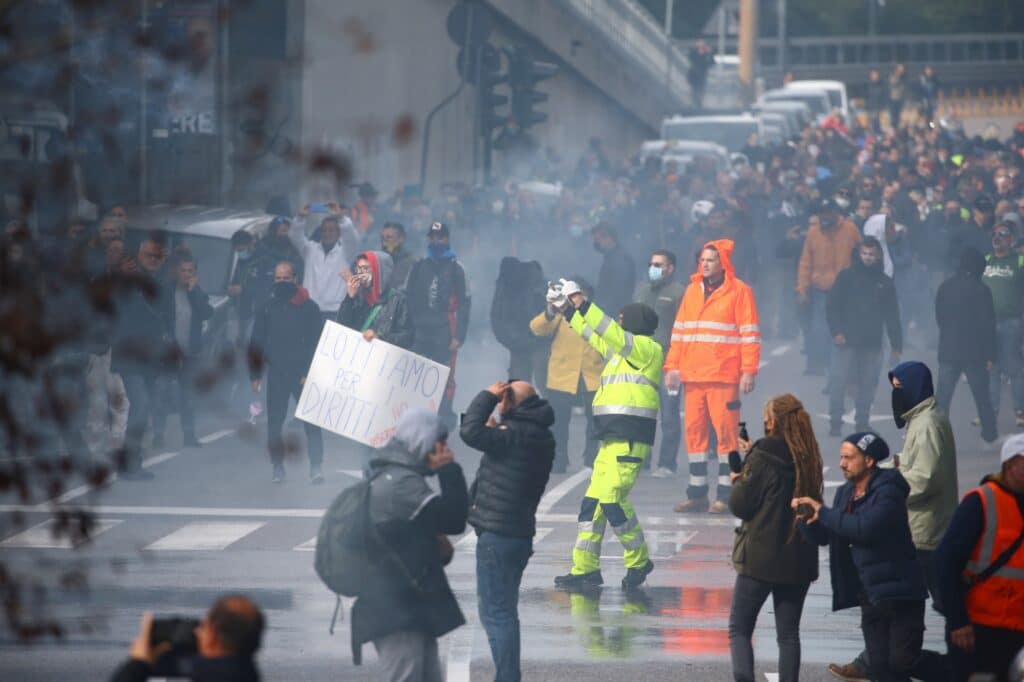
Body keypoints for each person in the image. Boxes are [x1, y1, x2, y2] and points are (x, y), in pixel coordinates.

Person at [830, 361, 959, 680]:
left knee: (921, 599)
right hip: (918, 528)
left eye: (899, 388)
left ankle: (963, 663)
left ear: (915, 387)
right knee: (887, 595)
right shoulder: (920, 420)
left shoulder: (927, 423)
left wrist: (882, 487)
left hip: (925, 530)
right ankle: (872, 660)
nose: (895, 395)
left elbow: (925, 478)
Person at [794, 432, 931, 682]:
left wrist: (824, 513)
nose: (841, 463)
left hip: (900, 592)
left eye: (848, 457)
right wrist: (806, 520)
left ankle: (958, 668)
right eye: (841, 457)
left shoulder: (889, 490)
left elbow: (865, 528)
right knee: (879, 668)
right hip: (870, 593)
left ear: (869, 461)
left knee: (902, 661)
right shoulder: (846, 493)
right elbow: (830, 534)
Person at [551, 282, 661, 590]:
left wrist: (580, 301)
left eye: (622, 320)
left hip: (629, 439)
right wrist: (566, 310)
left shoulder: (647, 350)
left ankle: (639, 560)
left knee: (612, 501)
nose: (618, 323)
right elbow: (592, 334)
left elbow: (608, 330)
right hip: (612, 439)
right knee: (593, 505)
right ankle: (585, 568)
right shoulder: (619, 354)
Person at [351, 409, 468, 682]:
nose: (445, 449)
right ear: (423, 441)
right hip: (396, 609)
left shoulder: (397, 476)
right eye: (441, 443)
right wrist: (449, 469)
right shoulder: (400, 483)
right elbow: (453, 519)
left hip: (410, 605)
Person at [459, 380, 556, 682]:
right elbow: (496, 453)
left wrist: (486, 394)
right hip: (517, 535)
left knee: (496, 614)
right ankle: (508, 675)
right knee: (504, 611)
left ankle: (508, 677)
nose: (499, 402)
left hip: (497, 537)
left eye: (504, 397)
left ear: (513, 403)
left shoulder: (511, 435)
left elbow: (469, 431)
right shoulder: (538, 436)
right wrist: (497, 427)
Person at [729, 394, 823, 682]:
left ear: (772, 420)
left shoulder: (762, 455)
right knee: (788, 635)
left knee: (740, 629)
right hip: (798, 558)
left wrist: (741, 474)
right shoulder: (808, 455)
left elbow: (741, 505)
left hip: (760, 558)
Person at [667, 240, 761, 514]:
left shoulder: (740, 292)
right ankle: (697, 494)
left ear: (724, 264)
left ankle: (727, 494)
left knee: (726, 437)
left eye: (710, 260)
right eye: (702, 260)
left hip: (723, 376)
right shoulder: (692, 291)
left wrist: (748, 371)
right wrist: (672, 367)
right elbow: (680, 333)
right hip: (693, 375)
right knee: (695, 437)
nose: (704, 264)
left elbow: (750, 334)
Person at [937, 433, 1024, 682]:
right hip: (979, 627)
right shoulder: (982, 501)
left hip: (1018, 627)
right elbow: (946, 562)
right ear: (1009, 465)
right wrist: (957, 621)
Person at [337, 250, 415, 476]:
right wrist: (349, 298)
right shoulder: (357, 298)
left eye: (367, 269)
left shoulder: (397, 299)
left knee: (389, 429)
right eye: (359, 269)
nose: (362, 274)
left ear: (380, 271)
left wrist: (382, 337)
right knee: (366, 431)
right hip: (365, 374)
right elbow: (342, 331)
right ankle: (370, 476)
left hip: (389, 375)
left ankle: (391, 472)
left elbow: (409, 336)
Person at [248, 261, 324, 484]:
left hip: (303, 374)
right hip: (277, 373)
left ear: (296, 279)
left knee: (312, 422)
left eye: (286, 278)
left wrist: (308, 371)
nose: (282, 282)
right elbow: (257, 341)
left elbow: (316, 343)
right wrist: (255, 374)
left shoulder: (310, 307)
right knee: (275, 422)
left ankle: (316, 467)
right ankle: (277, 467)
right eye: (278, 278)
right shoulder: (267, 307)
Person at [825, 236, 902, 435]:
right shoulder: (846, 276)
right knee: (838, 381)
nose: (868, 258)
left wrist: (896, 344)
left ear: (878, 256)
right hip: (846, 340)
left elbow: (892, 315)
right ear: (859, 254)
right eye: (864, 253)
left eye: (872, 254)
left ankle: (862, 422)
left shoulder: (884, 283)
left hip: (872, 341)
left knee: (868, 384)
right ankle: (835, 421)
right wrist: (837, 332)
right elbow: (832, 306)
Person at [111, 234, 172, 480]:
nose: (153, 260)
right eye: (149, 255)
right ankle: (129, 462)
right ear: (139, 255)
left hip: (152, 356)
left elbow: (167, 321)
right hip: (130, 354)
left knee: (146, 408)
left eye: (158, 256)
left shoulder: (163, 284)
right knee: (141, 404)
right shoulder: (128, 281)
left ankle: (133, 460)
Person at [530, 278, 603, 473]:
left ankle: (592, 456)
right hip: (562, 375)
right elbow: (537, 328)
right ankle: (558, 459)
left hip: (592, 374)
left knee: (595, 419)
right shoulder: (560, 315)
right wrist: (549, 312)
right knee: (559, 421)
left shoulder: (596, 315)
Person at [109, 594, 264, 681]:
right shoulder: (248, 672)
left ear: (213, 635)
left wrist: (137, 665)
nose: (198, 633)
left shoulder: (205, 671)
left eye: (203, 627)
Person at [406, 221, 470, 426]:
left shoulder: (457, 268)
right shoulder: (418, 266)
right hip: (420, 330)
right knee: (417, 376)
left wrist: (459, 336)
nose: (436, 241)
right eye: (432, 237)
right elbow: (408, 298)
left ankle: (442, 418)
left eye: (440, 237)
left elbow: (465, 305)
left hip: (444, 330)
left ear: (447, 239)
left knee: (444, 377)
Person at [935, 247, 998, 442]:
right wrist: (990, 354)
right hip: (975, 352)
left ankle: (937, 436)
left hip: (948, 349)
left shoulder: (945, 286)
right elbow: (988, 324)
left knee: (942, 398)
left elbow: (939, 316)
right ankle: (989, 434)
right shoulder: (982, 290)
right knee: (982, 397)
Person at [635, 249, 686, 478]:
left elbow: (683, 329)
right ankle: (642, 459)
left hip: (669, 364)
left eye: (659, 264)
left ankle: (667, 463)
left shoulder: (679, 294)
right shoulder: (642, 291)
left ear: (670, 268)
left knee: (669, 415)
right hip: (643, 363)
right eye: (652, 263)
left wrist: (677, 364)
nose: (654, 268)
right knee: (642, 413)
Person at [796, 199, 862, 376]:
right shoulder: (813, 233)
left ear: (836, 213)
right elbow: (805, 263)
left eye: (828, 212)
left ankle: (837, 372)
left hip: (846, 290)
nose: (824, 216)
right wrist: (802, 289)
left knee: (840, 331)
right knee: (820, 329)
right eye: (821, 213)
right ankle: (823, 365)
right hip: (821, 290)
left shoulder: (850, 229)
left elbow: (861, 256)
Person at [162, 256, 213, 448]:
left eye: (190, 271)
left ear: (195, 274)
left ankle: (189, 434)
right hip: (169, 351)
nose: (185, 274)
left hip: (191, 353)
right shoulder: (167, 292)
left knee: (188, 394)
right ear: (177, 272)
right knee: (162, 391)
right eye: (182, 270)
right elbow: (159, 316)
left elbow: (207, 313)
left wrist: (193, 292)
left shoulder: (197, 292)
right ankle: (158, 433)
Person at [983, 221, 1024, 427]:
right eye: (995, 234)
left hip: (1012, 323)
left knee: (1014, 368)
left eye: (1003, 234)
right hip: (988, 323)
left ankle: (1020, 410)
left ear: (1011, 239)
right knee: (991, 368)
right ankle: (991, 411)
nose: (997, 238)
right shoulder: (986, 260)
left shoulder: (1019, 261)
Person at [291, 204, 360, 324]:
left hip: (335, 312)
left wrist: (341, 218)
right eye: (324, 230)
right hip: (310, 309)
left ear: (339, 233)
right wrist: (300, 218)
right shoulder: (310, 249)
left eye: (332, 230)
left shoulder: (346, 252)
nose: (327, 233)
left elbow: (351, 237)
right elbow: (295, 236)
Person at [591, 222, 636, 321]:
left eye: (597, 239)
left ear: (609, 238)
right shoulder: (611, 257)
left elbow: (618, 291)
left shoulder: (619, 259)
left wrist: (604, 312)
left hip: (616, 314)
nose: (596, 243)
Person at [379, 221, 415, 291]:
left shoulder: (412, 264)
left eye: (389, 237)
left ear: (401, 239)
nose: (384, 242)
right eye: (382, 238)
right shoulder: (376, 261)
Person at [687, 39, 715, 111]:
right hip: (694, 75)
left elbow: (711, 63)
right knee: (694, 91)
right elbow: (691, 58)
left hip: (702, 76)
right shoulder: (694, 53)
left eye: (703, 46)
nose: (702, 47)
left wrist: (710, 53)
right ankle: (694, 104)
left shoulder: (706, 54)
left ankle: (699, 104)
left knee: (701, 91)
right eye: (700, 46)